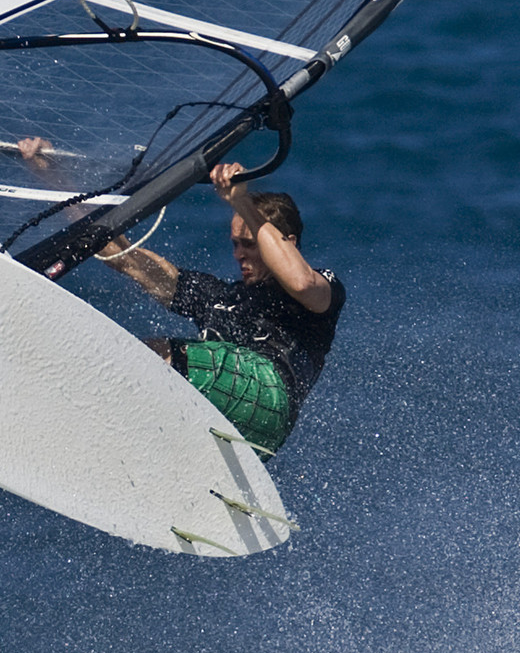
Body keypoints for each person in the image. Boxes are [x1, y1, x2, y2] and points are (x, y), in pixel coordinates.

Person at [95, 162, 344, 454]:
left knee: (150, 355)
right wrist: (54, 178)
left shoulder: (322, 288)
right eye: (235, 244)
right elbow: (127, 260)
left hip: (270, 396)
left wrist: (241, 201)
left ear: (289, 242)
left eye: (249, 244)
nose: (238, 254)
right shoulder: (219, 297)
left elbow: (300, 282)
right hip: (242, 434)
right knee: (131, 371)